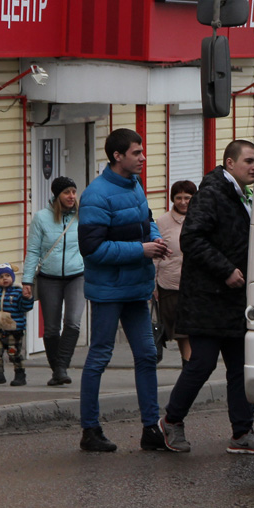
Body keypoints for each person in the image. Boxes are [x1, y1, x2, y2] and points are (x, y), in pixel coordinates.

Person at [160, 140, 254, 455]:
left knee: (240, 366)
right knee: (202, 364)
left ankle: (242, 433)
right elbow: (191, 239)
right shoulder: (210, 195)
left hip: (236, 298)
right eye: (249, 161)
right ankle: (171, 420)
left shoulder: (246, 195)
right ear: (229, 163)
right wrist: (226, 270)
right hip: (207, 299)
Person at [77, 128, 170, 453]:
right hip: (108, 291)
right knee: (99, 356)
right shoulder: (96, 195)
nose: (143, 158)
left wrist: (155, 239)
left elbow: (146, 220)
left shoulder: (134, 185)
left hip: (137, 287)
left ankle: (151, 428)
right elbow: (91, 249)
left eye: (142, 152)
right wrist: (140, 250)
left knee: (147, 355)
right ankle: (90, 430)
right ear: (118, 156)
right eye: (136, 153)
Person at [22, 176, 84, 386]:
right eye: (67, 192)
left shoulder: (82, 216)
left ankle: (62, 367)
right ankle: (57, 370)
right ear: (57, 195)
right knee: (50, 327)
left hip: (77, 275)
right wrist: (27, 280)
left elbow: (90, 244)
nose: (71, 196)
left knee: (73, 321)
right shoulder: (41, 218)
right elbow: (32, 251)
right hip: (49, 278)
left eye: (74, 192)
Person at [154, 179, 198, 364]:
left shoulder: (202, 217)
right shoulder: (162, 222)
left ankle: (190, 366)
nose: (182, 202)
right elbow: (155, 255)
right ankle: (188, 365)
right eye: (178, 198)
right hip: (170, 284)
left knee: (195, 330)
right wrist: (153, 284)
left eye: (187, 197)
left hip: (197, 285)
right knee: (182, 332)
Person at [0, 264, 34, 387]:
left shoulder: (18, 292)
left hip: (14, 330)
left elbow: (26, 307)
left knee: (14, 353)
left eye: (8, 275)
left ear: (12, 277)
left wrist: (28, 298)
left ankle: (20, 375)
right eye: (1, 277)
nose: (5, 279)